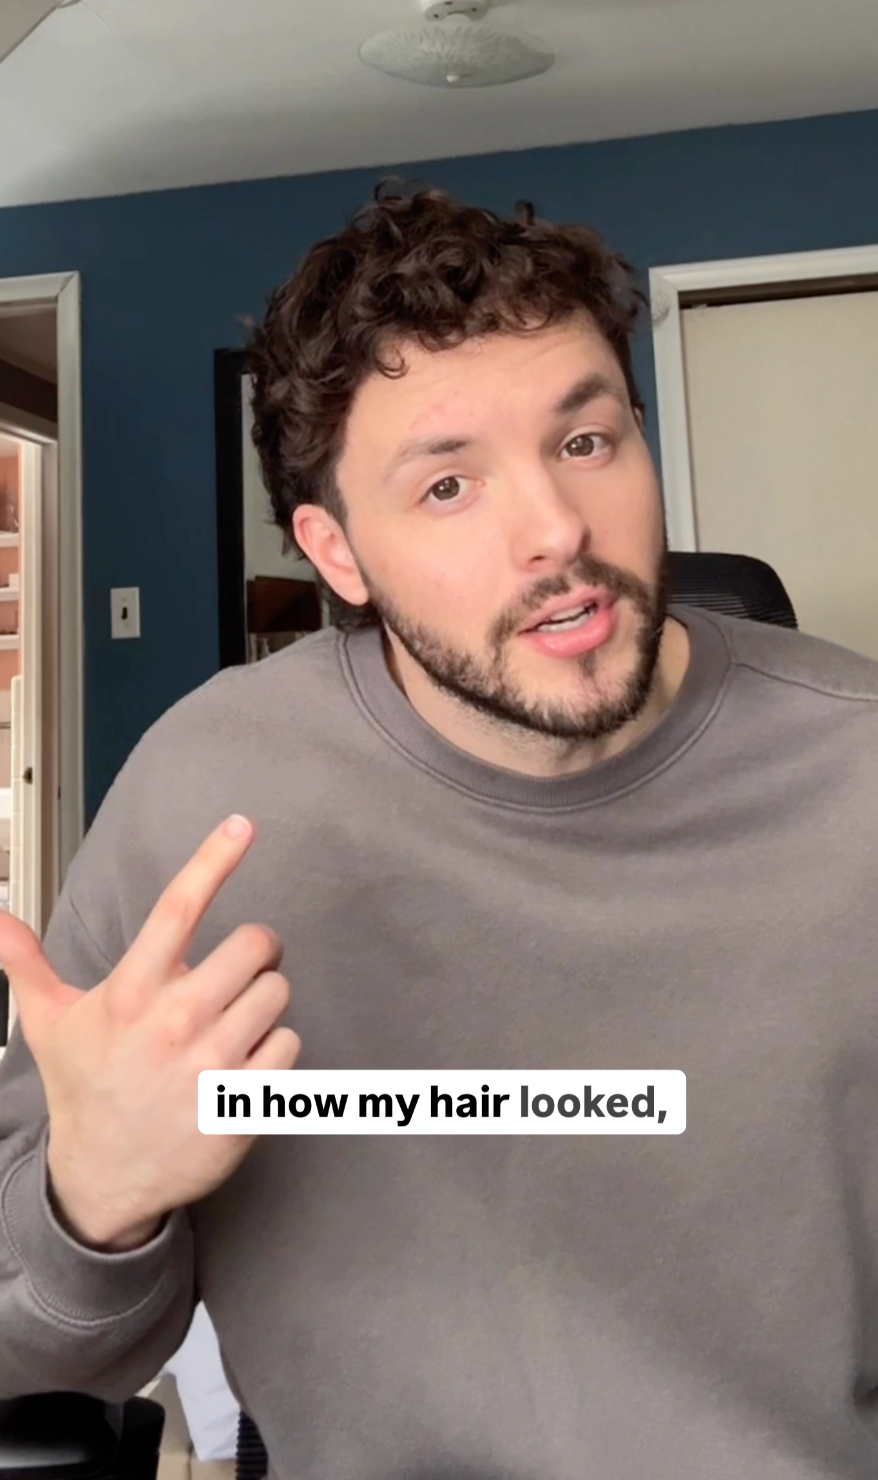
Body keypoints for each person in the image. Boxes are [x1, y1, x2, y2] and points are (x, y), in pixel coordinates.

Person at [1, 182, 878, 1480]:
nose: (556, 530)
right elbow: (32, 1357)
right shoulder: (211, 800)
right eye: (450, 484)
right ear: (337, 554)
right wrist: (94, 1202)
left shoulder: (859, 776)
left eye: (586, 442)